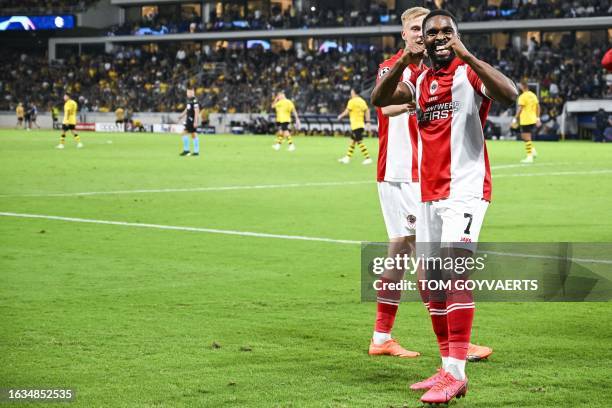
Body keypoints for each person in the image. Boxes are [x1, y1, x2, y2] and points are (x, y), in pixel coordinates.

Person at [372, 9, 517, 404]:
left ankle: (456, 373)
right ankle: (445, 364)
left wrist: (466, 54)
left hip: (466, 191)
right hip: (428, 193)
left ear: (455, 35)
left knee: (454, 274)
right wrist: (405, 58)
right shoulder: (418, 79)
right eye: (430, 31)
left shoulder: (468, 75)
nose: (436, 37)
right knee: (431, 283)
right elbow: (379, 99)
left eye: (444, 31)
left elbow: (510, 94)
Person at [337, 89, 372, 165]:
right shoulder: (362, 101)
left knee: (359, 141)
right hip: (361, 124)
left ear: (353, 92)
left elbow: (347, 111)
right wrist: (368, 121)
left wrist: (340, 116)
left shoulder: (352, 101)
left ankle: (368, 158)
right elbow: (367, 110)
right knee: (352, 141)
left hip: (356, 125)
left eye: (351, 92)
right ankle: (347, 158)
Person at [515, 80, 540, 163]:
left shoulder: (522, 96)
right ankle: (532, 151)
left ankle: (529, 157)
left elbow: (520, 108)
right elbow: (538, 107)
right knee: (524, 137)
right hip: (532, 119)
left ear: (522, 86)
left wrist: (515, 118)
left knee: (527, 137)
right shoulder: (533, 95)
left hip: (526, 119)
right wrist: (537, 118)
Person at [177, 88, 200, 156]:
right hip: (189, 119)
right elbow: (187, 109)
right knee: (193, 134)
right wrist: (182, 115)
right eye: (187, 92)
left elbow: (197, 111)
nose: (187, 93)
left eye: (189, 92)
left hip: (191, 120)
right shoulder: (189, 100)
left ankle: (187, 150)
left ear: (193, 92)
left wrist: (195, 121)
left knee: (184, 133)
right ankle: (196, 152)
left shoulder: (195, 100)